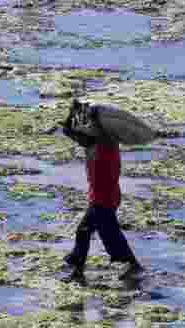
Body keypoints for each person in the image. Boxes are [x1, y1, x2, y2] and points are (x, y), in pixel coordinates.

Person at [61, 100, 144, 284]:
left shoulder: (102, 141)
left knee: (86, 231)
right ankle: (130, 265)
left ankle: (78, 268)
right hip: (107, 196)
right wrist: (72, 115)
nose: (89, 125)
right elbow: (72, 132)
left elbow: (71, 132)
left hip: (102, 198)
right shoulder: (103, 140)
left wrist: (72, 115)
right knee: (108, 233)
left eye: (92, 122)